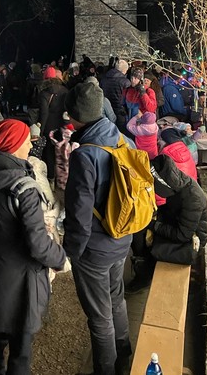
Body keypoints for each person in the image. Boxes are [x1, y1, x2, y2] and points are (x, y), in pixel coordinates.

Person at [0, 119, 67, 375]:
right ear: (13, 145)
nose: (29, 145)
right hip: (21, 289)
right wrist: (60, 258)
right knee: (20, 357)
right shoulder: (23, 188)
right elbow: (38, 244)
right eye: (26, 140)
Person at [63, 80, 132, 375]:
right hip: (123, 237)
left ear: (76, 116)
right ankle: (124, 354)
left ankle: (106, 370)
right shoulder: (123, 140)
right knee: (116, 299)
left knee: (99, 316)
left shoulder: (84, 155)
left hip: (95, 249)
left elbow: (79, 215)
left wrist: (71, 252)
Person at [37, 66, 68, 181]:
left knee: (49, 153)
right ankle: (62, 177)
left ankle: (51, 178)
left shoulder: (44, 93)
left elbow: (44, 113)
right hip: (62, 126)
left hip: (49, 126)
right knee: (61, 152)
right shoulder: (65, 90)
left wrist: (40, 131)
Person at [99, 59, 130, 134]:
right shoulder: (125, 82)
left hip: (106, 110)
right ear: (124, 70)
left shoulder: (103, 78)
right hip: (120, 111)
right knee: (121, 133)